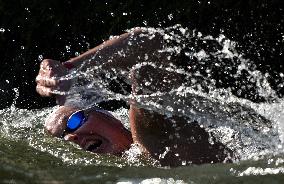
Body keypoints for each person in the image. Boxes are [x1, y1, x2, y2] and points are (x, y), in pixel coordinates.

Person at [36, 28, 232, 166]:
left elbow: (148, 44)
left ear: (111, 119)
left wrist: (69, 69)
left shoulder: (152, 137)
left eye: (74, 121)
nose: (70, 137)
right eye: (62, 140)